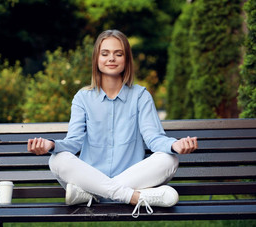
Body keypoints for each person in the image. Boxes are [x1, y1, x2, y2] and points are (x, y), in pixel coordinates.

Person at [27, 29, 198, 218]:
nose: (111, 59)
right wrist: (52, 145)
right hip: (91, 177)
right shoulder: (82, 98)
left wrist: (174, 145)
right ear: (96, 59)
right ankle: (132, 197)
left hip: (128, 179)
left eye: (118, 54)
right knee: (57, 159)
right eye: (105, 53)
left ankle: (93, 195)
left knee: (169, 159)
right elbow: (73, 142)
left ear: (126, 60)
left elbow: (153, 138)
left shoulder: (141, 96)